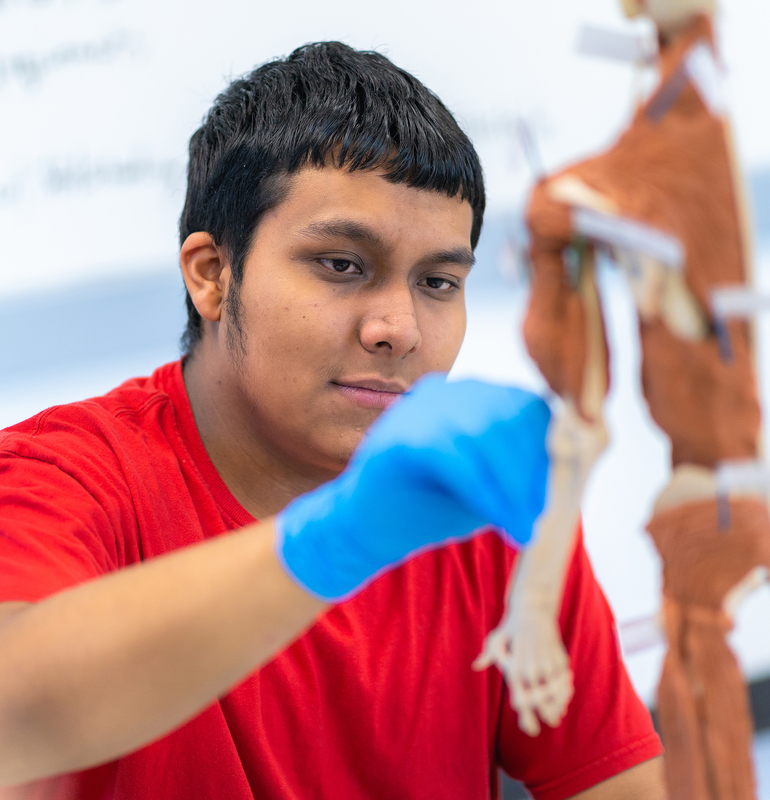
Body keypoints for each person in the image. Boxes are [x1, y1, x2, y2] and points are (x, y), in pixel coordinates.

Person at [0, 42, 664, 799]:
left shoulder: (482, 511)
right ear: (212, 275)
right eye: (342, 265)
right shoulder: (63, 475)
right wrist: (334, 540)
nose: (398, 329)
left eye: (438, 282)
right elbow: (13, 714)